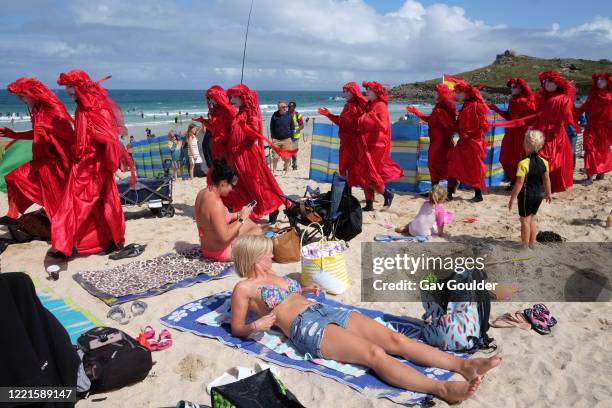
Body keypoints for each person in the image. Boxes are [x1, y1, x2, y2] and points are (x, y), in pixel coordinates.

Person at [229, 235, 503, 404]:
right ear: (254, 257)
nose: (272, 254)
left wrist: (303, 290)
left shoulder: (277, 274)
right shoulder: (243, 289)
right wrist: (256, 325)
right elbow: (237, 328)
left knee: (396, 339)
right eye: (267, 252)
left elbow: (289, 294)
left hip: (323, 310)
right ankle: (441, 388)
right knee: (374, 353)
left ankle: (464, 365)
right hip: (306, 327)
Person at [54, 69, 134, 256]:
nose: (68, 91)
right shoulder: (81, 107)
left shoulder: (96, 107)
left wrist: (95, 137)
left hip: (93, 166)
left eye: (71, 87)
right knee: (95, 205)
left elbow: (109, 138)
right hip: (83, 164)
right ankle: (105, 241)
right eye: (67, 87)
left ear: (80, 86)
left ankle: (67, 245)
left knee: (78, 204)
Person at [0, 78, 74, 231]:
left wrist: (48, 135)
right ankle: (12, 215)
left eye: (22, 95)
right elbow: (36, 133)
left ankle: (66, 235)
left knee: (56, 203)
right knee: (12, 178)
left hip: (55, 164)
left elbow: (68, 136)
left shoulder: (55, 110)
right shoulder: (36, 109)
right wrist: (14, 134)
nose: (19, 99)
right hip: (40, 160)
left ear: (32, 93)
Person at [492, 71, 578, 193]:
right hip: (535, 131)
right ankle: (533, 184)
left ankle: (544, 186)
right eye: (545, 81)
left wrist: (544, 127)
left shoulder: (563, 99)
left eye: (550, 81)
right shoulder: (541, 98)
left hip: (552, 134)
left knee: (548, 159)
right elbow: (533, 115)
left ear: (557, 83)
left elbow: (566, 119)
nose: (546, 84)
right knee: (533, 158)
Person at [224, 84, 293, 223]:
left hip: (248, 156)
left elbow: (254, 135)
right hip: (237, 156)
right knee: (243, 186)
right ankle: (250, 211)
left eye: (234, 96)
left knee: (258, 184)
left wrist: (245, 127)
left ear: (243, 97)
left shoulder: (250, 114)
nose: (231, 99)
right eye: (231, 96)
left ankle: (274, 208)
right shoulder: (238, 113)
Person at [195, 159, 262, 261]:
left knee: (249, 223)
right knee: (257, 231)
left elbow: (215, 218)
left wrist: (240, 213)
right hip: (220, 252)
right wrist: (242, 218)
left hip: (206, 248)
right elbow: (225, 237)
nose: (232, 190)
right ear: (223, 183)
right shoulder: (216, 204)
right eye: (232, 186)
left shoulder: (202, 193)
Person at [357, 81, 404, 210]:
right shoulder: (371, 104)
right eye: (366, 90)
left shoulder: (381, 106)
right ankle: (369, 203)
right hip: (368, 142)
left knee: (371, 173)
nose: (367, 92)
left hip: (377, 144)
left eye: (369, 90)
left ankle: (387, 194)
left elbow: (383, 127)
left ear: (377, 92)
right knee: (365, 172)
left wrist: (374, 118)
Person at [487, 78, 536, 188]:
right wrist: (495, 108)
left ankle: (520, 182)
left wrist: (527, 128)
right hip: (511, 133)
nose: (511, 89)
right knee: (506, 157)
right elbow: (508, 117)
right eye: (511, 87)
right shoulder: (513, 101)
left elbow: (533, 117)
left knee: (519, 157)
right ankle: (514, 180)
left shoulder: (525, 101)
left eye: (514, 87)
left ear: (521, 88)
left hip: (520, 134)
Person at [446, 78, 489, 202]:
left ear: (466, 93)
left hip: (474, 143)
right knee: (453, 163)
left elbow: (483, 126)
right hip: (464, 142)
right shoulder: (466, 105)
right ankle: (450, 192)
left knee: (474, 168)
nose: (456, 94)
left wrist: (468, 134)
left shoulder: (476, 106)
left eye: (459, 91)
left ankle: (478, 194)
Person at [508, 130, 552, 249]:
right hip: (539, 194)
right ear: (540, 145)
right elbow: (546, 179)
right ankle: (533, 243)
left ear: (525, 145)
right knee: (532, 218)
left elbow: (519, 182)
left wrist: (512, 198)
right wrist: (548, 193)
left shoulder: (523, 163)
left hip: (526, 195)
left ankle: (525, 246)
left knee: (524, 221)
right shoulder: (544, 162)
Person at [318, 82, 368, 187]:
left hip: (356, 144)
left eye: (346, 91)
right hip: (345, 143)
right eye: (343, 91)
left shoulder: (363, 105)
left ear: (353, 92)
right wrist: (328, 115)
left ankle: (371, 198)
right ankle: (347, 195)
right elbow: (341, 122)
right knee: (344, 169)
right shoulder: (347, 106)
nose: (344, 94)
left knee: (359, 170)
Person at [406, 83, 456, 186]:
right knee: (442, 163)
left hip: (439, 140)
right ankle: (446, 188)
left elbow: (433, 120)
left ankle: (438, 188)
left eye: (436, 92)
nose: (434, 94)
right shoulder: (441, 105)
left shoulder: (441, 108)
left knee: (434, 163)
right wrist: (417, 113)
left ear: (441, 94)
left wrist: (417, 112)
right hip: (439, 139)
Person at [575, 72, 612, 185]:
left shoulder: (611, 96)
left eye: (603, 80)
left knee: (602, 151)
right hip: (591, 127)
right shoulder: (593, 94)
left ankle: (601, 172)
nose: (599, 81)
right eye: (598, 79)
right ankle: (590, 176)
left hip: (605, 128)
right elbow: (583, 108)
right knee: (589, 149)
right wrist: (572, 112)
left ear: (608, 82)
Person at [269, 101, 295, 174]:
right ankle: (274, 170)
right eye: (283, 107)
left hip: (287, 139)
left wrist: (291, 138)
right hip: (276, 140)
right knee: (275, 157)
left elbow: (292, 127)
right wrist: (273, 137)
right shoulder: (274, 115)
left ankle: (286, 170)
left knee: (287, 157)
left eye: (286, 106)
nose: (285, 108)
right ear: (279, 107)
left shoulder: (289, 115)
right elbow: (272, 127)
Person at [288, 101, 304, 170]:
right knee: (286, 151)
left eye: (290, 107)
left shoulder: (298, 115)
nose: (288, 108)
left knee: (294, 152)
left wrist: (296, 130)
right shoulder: (285, 114)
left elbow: (302, 126)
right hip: (287, 136)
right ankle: (286, 165)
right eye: (288, 106)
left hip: (295, 137)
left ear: (294, 107)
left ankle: (294, 166)